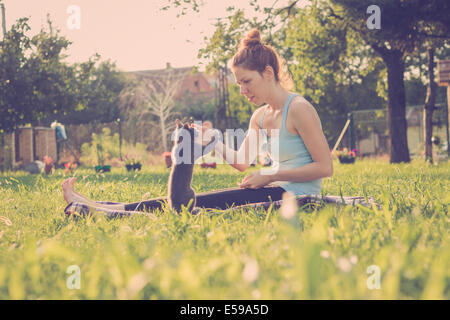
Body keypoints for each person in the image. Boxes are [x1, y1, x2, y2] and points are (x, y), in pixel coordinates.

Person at [62, 29, 333, 214]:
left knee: (192, 206)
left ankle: (96, 210)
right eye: (238, 84)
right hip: (273, 189)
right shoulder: (260, 117)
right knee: (189, 202)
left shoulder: (298, 109)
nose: (242, 90)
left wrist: (270, 175)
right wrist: (214, 140)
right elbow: (241, 162)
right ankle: (96, 206)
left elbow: (324, 167)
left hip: (295, 197)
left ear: (268, 73)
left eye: (247, 81)